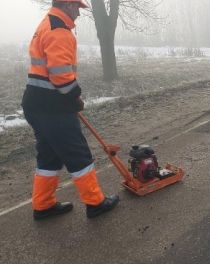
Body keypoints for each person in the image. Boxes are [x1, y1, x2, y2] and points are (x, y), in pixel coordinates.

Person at [21, 0, 119, 220]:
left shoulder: (46, 24)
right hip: (52, 107)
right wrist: (75, 97)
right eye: (76, 7)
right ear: (66, 5)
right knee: (79, 154)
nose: (79, 13)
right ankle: (96, 203)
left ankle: (43, 205)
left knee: (49, 155)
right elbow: (61, 76)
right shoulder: (59, 31)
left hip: (36, 104)